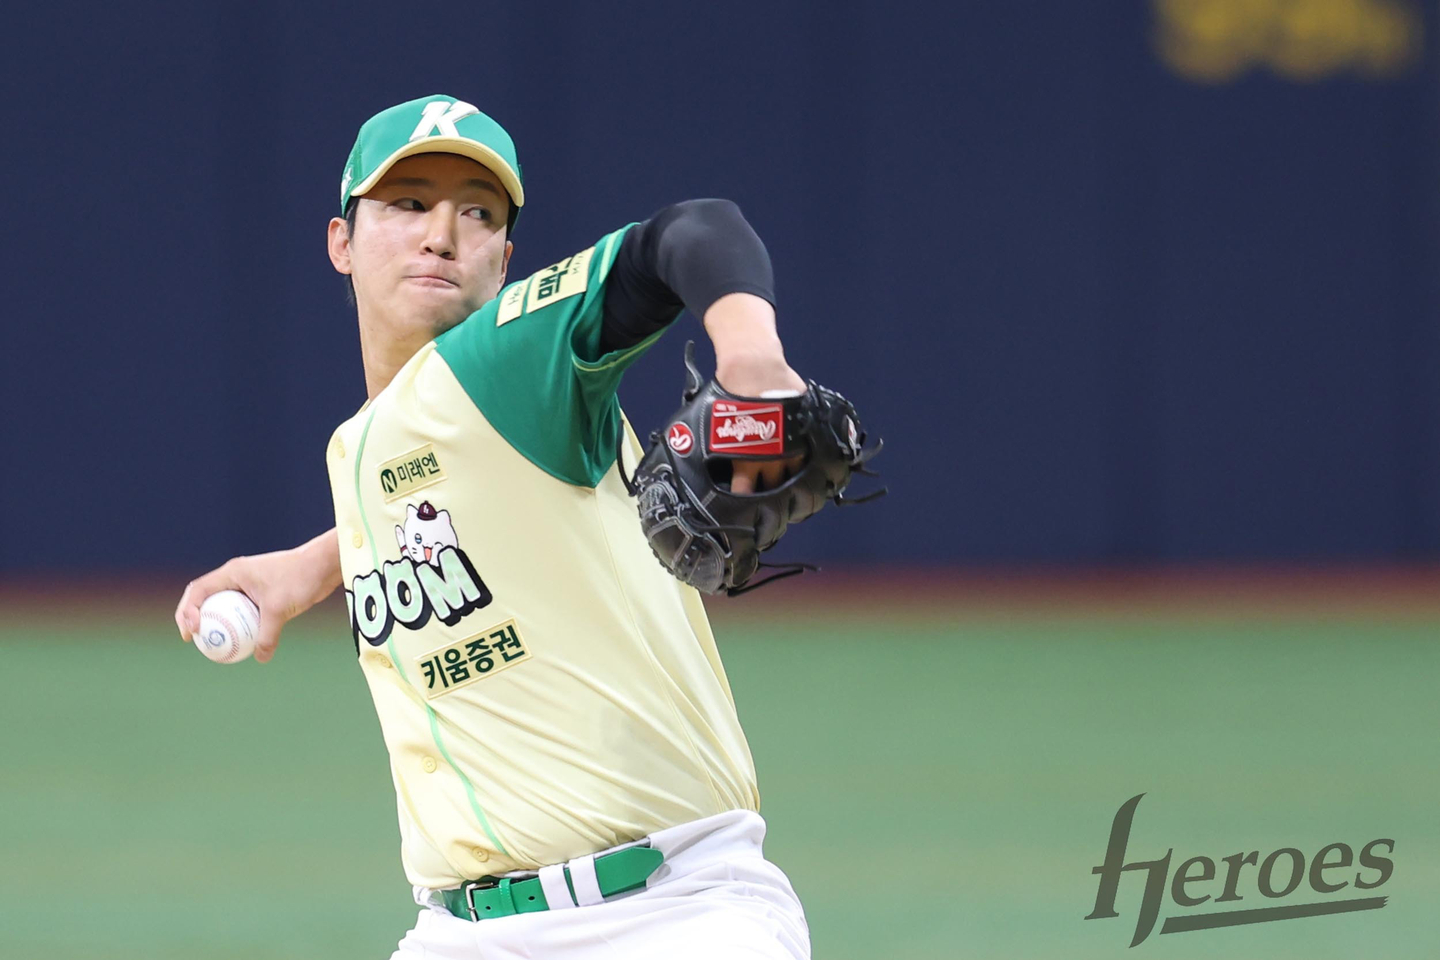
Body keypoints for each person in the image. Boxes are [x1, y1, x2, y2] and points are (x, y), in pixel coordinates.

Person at [175, 94, 813, 959]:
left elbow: (694, 231)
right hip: (462, 932)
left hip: (668, 916)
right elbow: (445, 490)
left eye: (476, 213)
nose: (442, 232)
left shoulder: (513, 359)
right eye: (408, 204)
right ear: (341, 242)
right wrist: (315, 565)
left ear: (505, 261)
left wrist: (750, 360)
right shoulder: (360, 448)